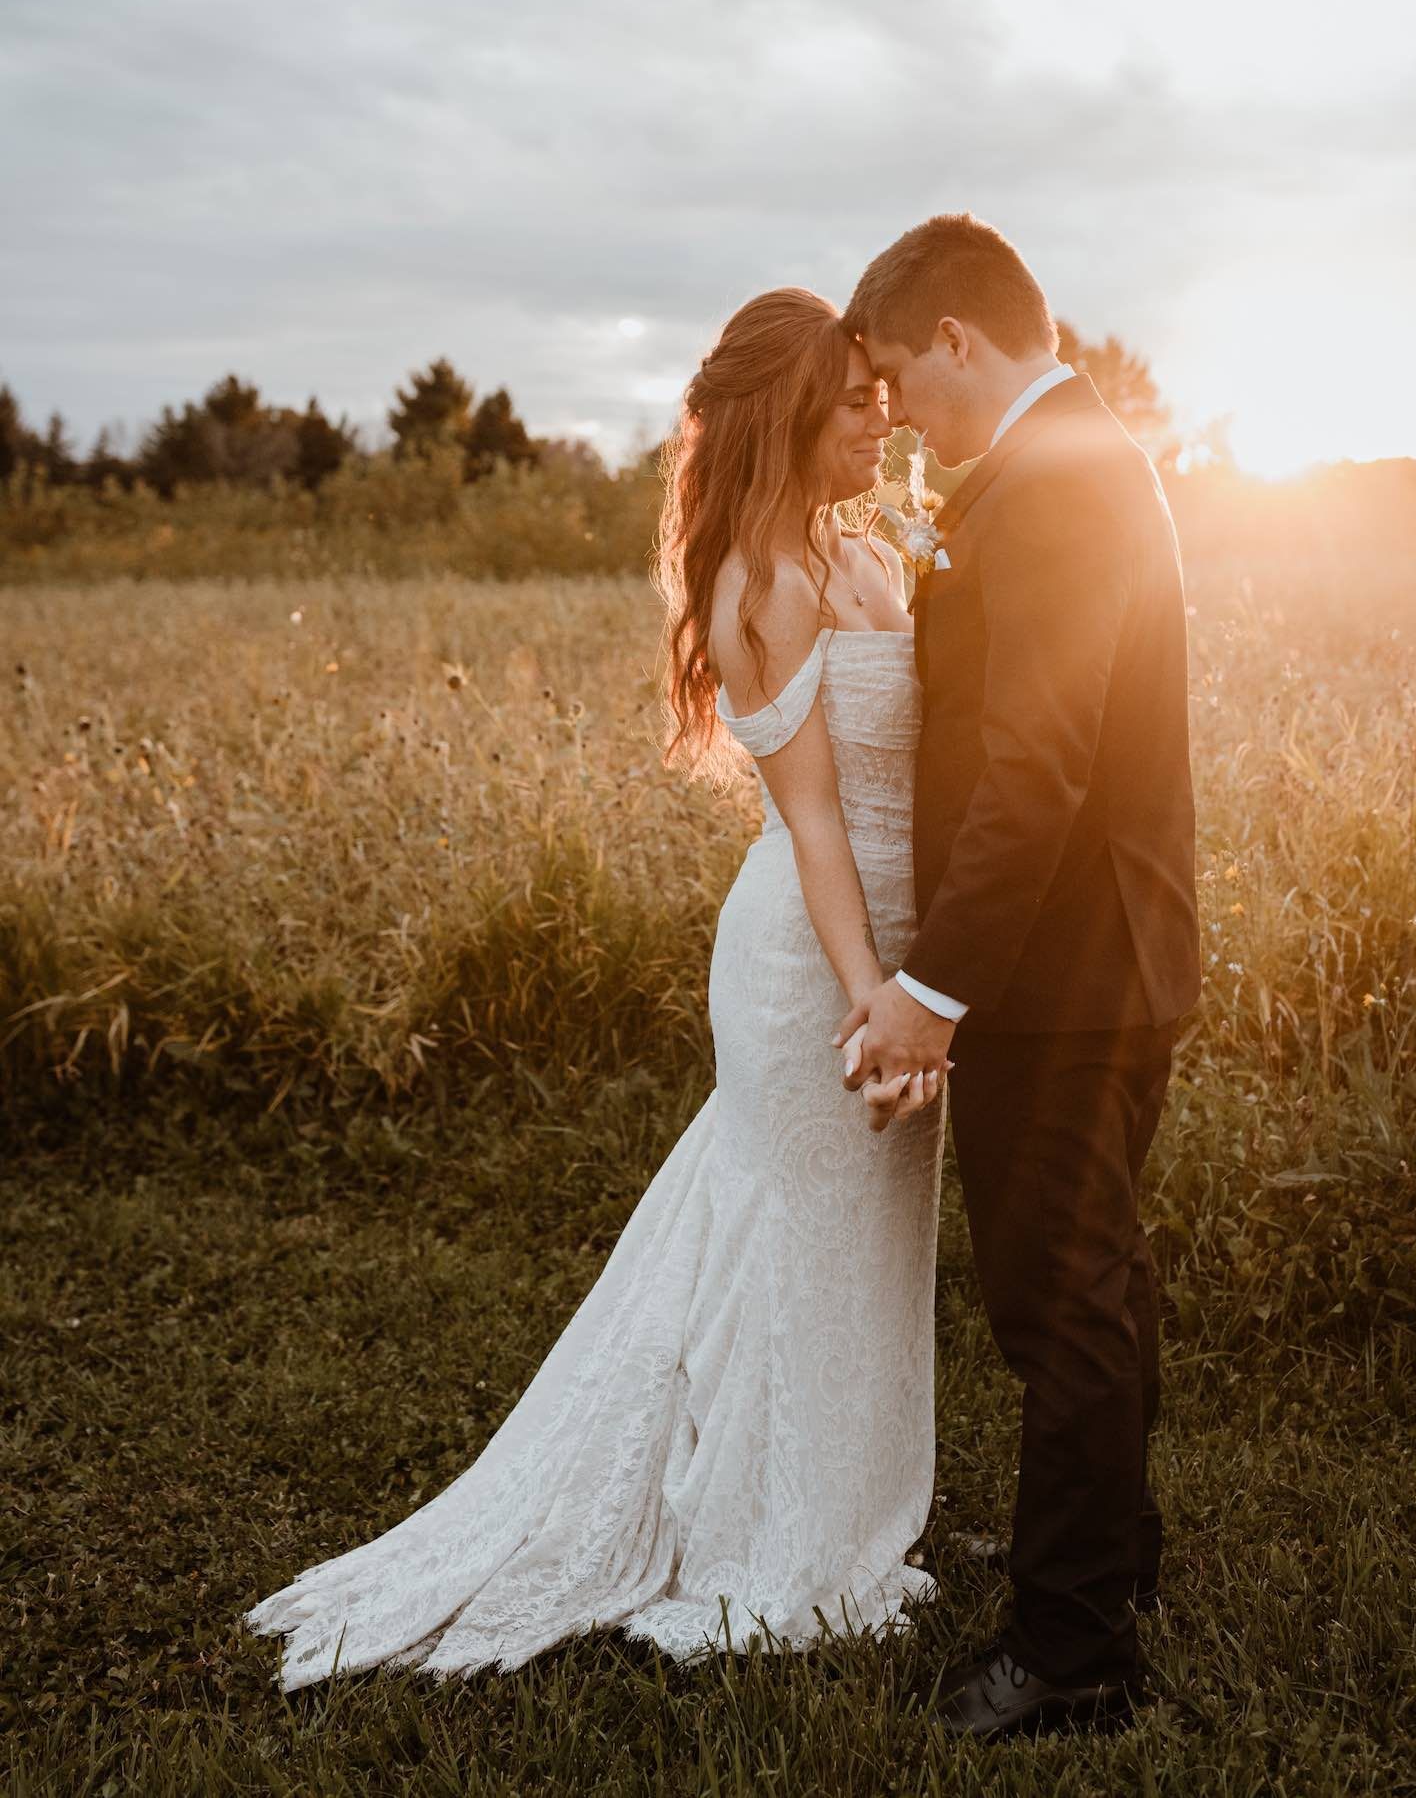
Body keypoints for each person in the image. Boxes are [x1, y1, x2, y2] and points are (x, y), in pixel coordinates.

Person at [243, 287, 948, 1689]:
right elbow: (813, 822)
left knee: (865, 1244)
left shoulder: (864, 550)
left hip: (904, 956)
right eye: (855, 401)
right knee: (792, 1239)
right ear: (790, 416)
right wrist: (876, 991)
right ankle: (767, 1538)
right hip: (814, 956)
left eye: (883, 395)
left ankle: (848, 1518)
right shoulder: (765, 581)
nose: (886, 416)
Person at [836, 212, 1201, 1741]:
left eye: (899, 378)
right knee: (1083, 1283)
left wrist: (932, 988)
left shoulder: (1059, 484)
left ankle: (1070, 1662)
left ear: (960, 342)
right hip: (1091, 961)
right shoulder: (1066, 466)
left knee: (1059, 1302)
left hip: (1070, 971)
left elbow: (1037, 765)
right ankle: (1102, 1563)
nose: (898, 413)